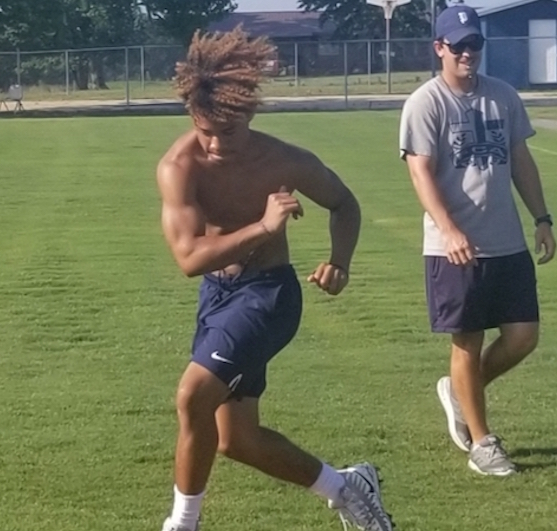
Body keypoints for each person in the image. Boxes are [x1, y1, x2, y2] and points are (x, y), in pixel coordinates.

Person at [156, 27, 394, 531]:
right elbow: (188, 258)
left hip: (269, 294)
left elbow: (343, 202)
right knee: (236, 440)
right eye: (205, 130)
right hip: (217, 296)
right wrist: (262, 226)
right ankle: (347, 487)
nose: (217, 143)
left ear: (250, 113)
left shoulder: (283, 160)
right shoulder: (180, 166)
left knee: (192, 396)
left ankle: (182, 524)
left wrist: (340, 262)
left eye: (229, 130)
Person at [398, 5, 557, 476]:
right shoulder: (426, 103)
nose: (468, 53)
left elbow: (520, 160)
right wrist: (448, 229)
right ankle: (483, 444)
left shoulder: (503, 97)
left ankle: (459, 391)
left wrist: (542, 218)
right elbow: (419, 172)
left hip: (506, 241)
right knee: (467, 342)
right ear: (439, 49)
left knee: (523, 337)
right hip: (454, 248)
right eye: (459, 46)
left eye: (475, 45)